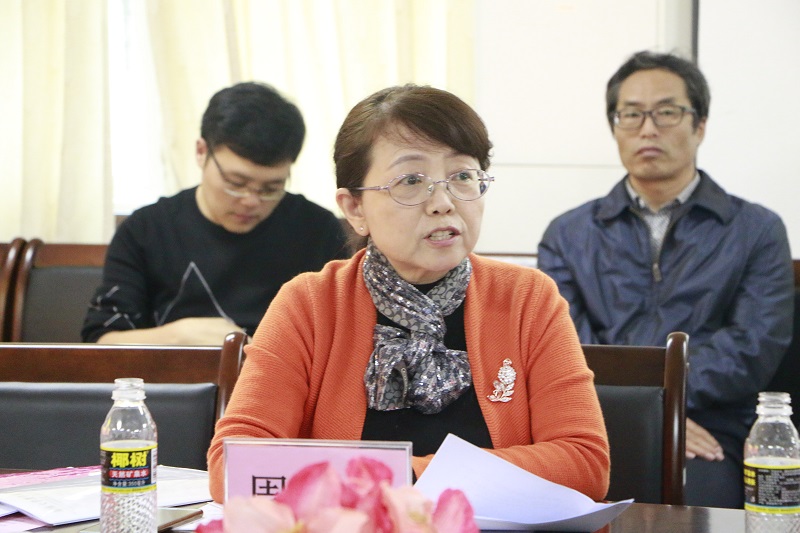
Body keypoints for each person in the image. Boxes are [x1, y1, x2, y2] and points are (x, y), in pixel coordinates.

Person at [207, 84, 610, 503]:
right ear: (355, 208)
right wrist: (408, 484)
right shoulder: (309, 304)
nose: (443, 202)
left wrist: (403, 479)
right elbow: (233, 466)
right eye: (412, 181)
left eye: (462, 176)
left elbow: (584, 463)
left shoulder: (527, 299)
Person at [538, 51, 794, 508]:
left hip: (712, 426)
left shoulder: (756, 229)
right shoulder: (568, 234)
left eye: (667, 112)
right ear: (615, 127)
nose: (648, 129)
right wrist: (641, 413)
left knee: (698, 502)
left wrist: (665, 408)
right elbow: (565, 348)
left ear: (700, 125)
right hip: (599, 420)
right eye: (631, 114)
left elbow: (753, 347)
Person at [82, 82, 350, 345]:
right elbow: (101, 339)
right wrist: (176, 337)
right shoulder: (146, 230)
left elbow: (346, 335)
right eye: (236, 183)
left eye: (271, 188)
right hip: (175, 373)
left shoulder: (317, 230)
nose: (251, 201)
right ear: (201, 152)